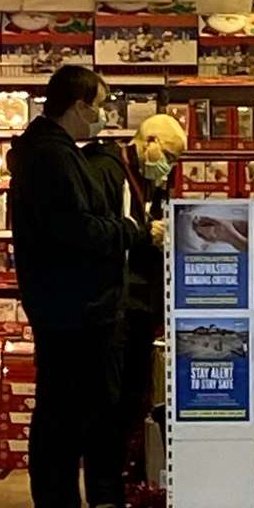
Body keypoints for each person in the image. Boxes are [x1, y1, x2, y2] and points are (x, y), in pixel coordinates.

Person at [7, 66, 160, 508]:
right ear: (77, 106)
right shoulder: (53, 158)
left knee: (64, 410)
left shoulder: (50, 153)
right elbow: (78, 230)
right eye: (99, 104)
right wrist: (133, 232)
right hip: (71, 307)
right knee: (63, 414)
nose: (101, 114)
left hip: (66, 303)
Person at [83, 112, 187, 469]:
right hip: (113, 308)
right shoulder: (105, 171)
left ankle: (125, 476)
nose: (171, 167)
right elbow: (97, 233)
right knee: (109, 402)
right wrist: (146, 234)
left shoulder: (150, 179)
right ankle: (105, 490)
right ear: (150, 144)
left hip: (141, 307)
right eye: (170, 157)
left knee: (132, 399)